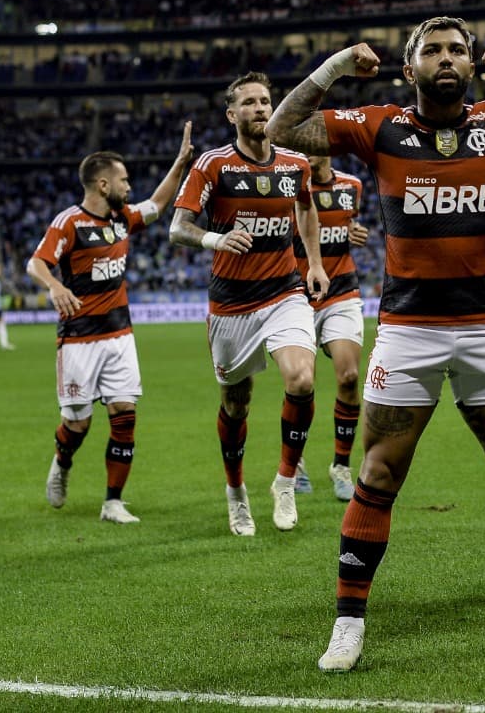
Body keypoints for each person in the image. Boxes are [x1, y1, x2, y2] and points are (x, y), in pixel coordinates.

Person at [266, 16, 485, 673]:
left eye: (459, 50)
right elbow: (282, 130)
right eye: (433, 51)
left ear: (475, 65)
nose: (447, 58)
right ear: (410, 69)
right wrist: (338, 62)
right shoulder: (381, 128)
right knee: (378, 473)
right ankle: (347, 625)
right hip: (408, 331)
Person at [169, 73, 330, 537]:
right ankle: (236, 493)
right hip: (230, 307)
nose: (261, 108)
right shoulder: (213, 164)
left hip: (284, 292)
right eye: (250, 103)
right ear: (231, 114)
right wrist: (217, 239)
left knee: (301, 378)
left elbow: (305, 206)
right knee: (236, 406)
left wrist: (314, 263)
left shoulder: (295, 163)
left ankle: (284, 480)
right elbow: (179, 227)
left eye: (265, 101)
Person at [27, 124, 194, 525]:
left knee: (124, 415)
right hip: (79, 340)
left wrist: (181, 163)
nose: (129, 186)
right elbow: (36, 262)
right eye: (123, 180)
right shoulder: (69, 222)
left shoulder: (123, 218)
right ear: (102, 184)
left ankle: (113, 501)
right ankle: (61, 461)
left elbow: (157, 204)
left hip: (119, 335)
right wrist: (53, 285)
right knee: (78, 423)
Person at [292, 154, 371, 502]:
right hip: (298, 294)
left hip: (342, 289)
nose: (308, 152)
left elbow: (351, 225)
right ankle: (294, 462)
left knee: (349, 377)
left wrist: (356, 233)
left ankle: (340, 465)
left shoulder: (352, 186)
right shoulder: (289, 187)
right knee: (301, 382)